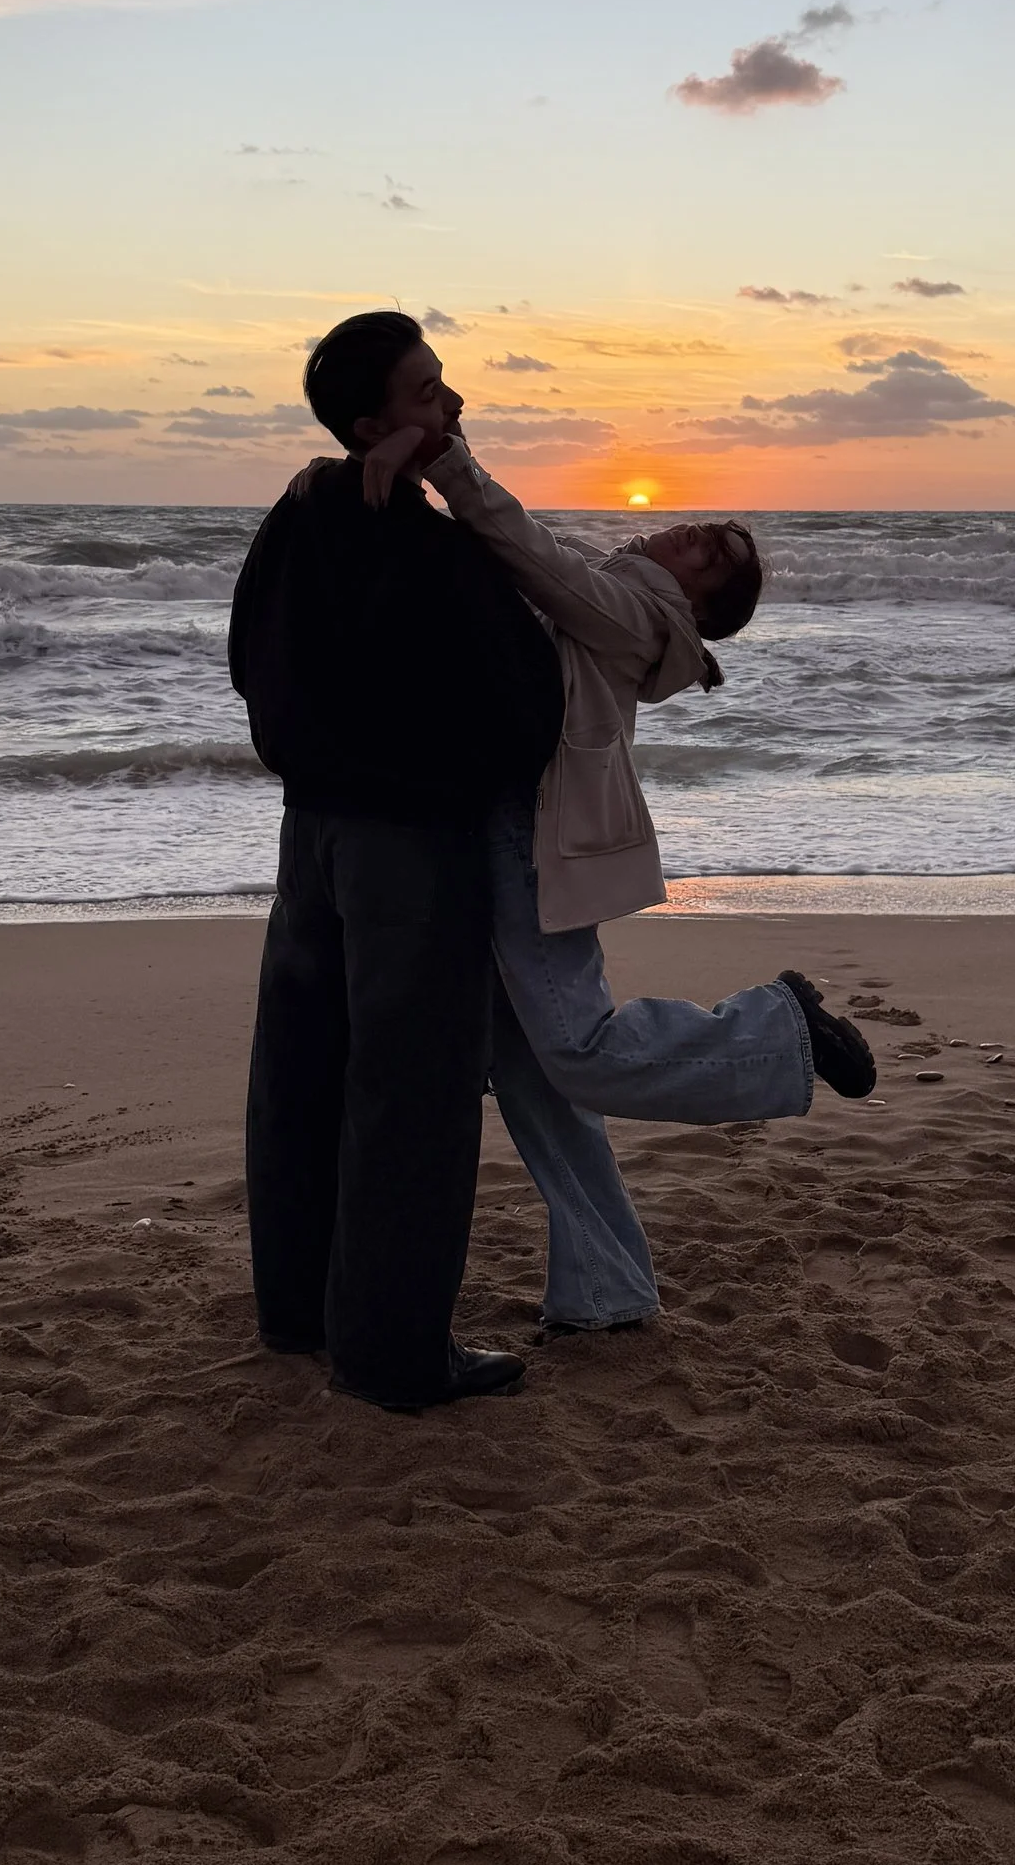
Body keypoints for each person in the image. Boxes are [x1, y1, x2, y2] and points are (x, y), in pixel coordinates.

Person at [349, 410, 875, 1337]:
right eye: (705, 529)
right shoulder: (620, 586)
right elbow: (532, 568)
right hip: (508, 827)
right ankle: (607, 1285)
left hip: (533, 840)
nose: (693, 536)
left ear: (700, 603)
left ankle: (778, 1023)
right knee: (535, 1080)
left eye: (711, 555)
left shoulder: (639, 614)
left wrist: (449, 463)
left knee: (577, 1051)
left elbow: (533, 558)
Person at [227, 314, 564, 1413]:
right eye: (428, 393)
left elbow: (246, 655)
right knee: (410, 1096)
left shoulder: (301, 513)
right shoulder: (422, 547)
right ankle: (391, 1352)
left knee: (302, 1073)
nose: (452, 402)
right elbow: (523, 700)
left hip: (311, 831)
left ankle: (296, 1312)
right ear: (375, 423)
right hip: (411, 842)